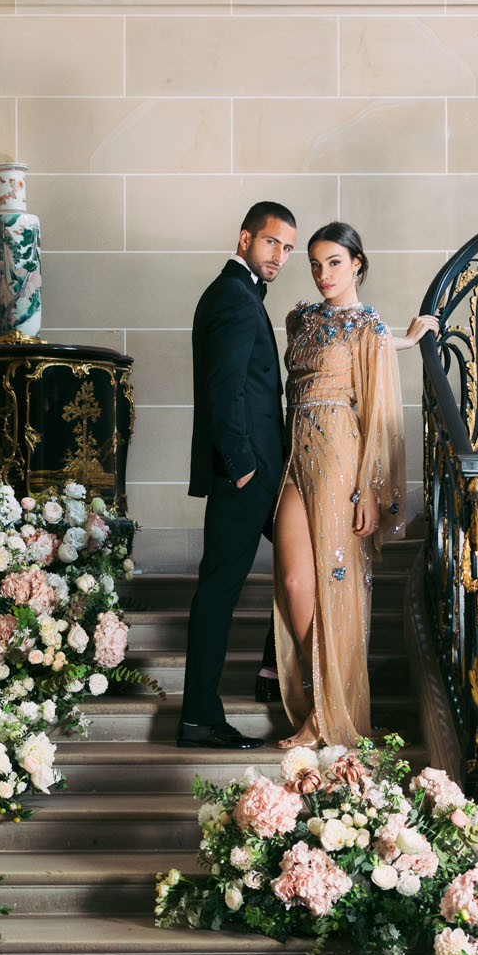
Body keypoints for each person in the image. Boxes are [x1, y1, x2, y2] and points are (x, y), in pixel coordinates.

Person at [274, 223, 435, 749]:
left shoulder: (368, 325)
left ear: (358, 263)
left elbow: (379, 412)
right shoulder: (300, 318)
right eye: (316, 264)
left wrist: (368, 488)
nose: (324, 274)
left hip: (342, 459)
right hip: (296, 458)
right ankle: (318, 692)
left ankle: (325, 718)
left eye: (335, 263)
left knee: (337, 587)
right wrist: (401, 339)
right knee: (296, 585)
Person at [179, 202, 298, 749]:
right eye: (272, 242)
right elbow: (223, 390)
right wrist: (245, 467)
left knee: (307, 565)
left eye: (288, 248)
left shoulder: (242, 293)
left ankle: (275, 672)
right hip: (245, 476)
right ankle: (200, 717)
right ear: (246, 237)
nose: (280, 256)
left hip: (262, 474)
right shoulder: (232, 295)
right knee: (219, 590)